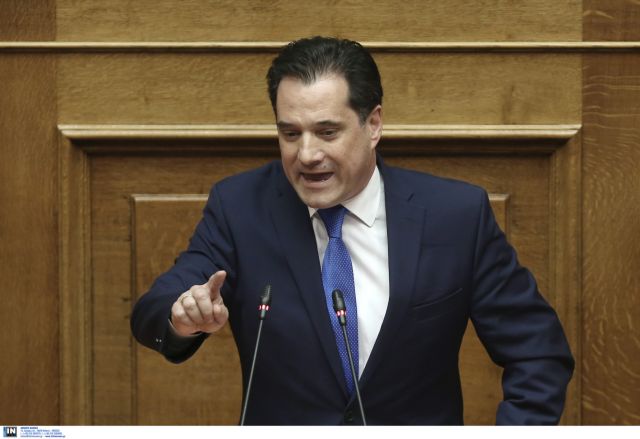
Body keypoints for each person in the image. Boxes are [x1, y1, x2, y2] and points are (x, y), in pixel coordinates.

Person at [130, 36, 574, 425]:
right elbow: (156, 307)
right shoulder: (241, 208)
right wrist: (181, 317)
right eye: (290, 134)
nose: (307, 154)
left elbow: (538, 352)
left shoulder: (455, 216)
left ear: (373, 124)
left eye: (327, 132)